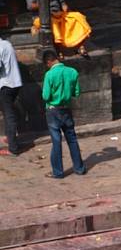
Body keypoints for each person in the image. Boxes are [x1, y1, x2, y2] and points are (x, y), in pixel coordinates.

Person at [26, 0, 91, 59]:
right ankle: (58, 50)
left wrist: (65, 7)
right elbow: (30, 6)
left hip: (58, 14)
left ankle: (81, 47)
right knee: (53, 23)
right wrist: (44, 3)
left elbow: (62, 3)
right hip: (41, 17)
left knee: (78, 17)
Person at [41, 49, 86, 178]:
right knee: (72, 139)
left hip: (53, 110)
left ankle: (58, 172)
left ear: (48, 62)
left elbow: (45, 96)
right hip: (66, 109)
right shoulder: (72, 72)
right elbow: (76, 93)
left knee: (56, 141)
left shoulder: (49, 75)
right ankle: (79, 168)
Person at [0, 35, 23, 156]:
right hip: (15, 83)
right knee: (8, 112)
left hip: (6, 85)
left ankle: (13, 148)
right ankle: (10, 137)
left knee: (9, 115)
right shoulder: (7, 44)